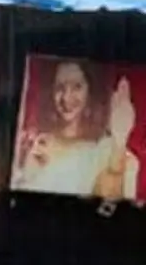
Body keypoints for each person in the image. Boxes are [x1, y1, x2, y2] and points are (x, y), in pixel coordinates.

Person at [12, 58, 139, 200]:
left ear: (90, 90)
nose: (67, 98)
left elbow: (111, 203)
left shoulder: (106, 149)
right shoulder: (34, 144)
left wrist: (119, 140)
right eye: (60, 87)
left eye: (77, 87)